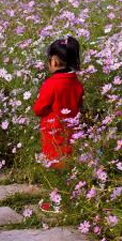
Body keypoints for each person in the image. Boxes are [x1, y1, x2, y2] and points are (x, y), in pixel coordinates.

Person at [33, 36, 84, 169]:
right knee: (69, 157)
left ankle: (56, 180)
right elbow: (78, 104)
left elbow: (38, 109)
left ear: (54, 62)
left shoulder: (50, 84)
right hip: (72, 128)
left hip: (53, 130)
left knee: (54, 159)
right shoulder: (76, 82)